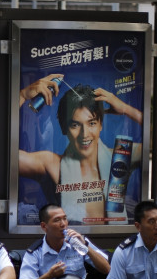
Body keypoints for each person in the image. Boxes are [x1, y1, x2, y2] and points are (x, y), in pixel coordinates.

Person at [18, 77, 143, 225]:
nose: (85, 134)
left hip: (113, 245)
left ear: (101, 125)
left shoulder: (120, 156)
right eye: (75, 125)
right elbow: (3, 157)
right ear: (65, 128)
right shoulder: (52, 164)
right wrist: (22, 95)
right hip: (69, 244)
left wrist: (125, 109)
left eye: (91, 123)